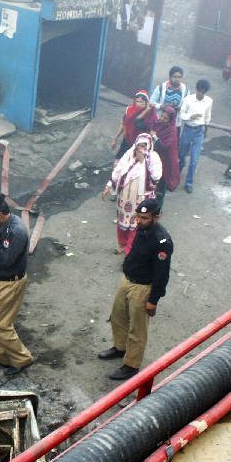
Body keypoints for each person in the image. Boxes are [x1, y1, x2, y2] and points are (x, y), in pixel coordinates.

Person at [98, 199, 173, 380]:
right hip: (127, 280)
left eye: (144, 218)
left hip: (142, 287)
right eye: (138, 217)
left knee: (137, 329)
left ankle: (131, 365)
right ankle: (120, 347)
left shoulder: (162, 241)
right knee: (118, 317)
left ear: (157, 216)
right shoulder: (142, 228)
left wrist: (153, 300)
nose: (139, 221)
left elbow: (162, 274)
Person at [0, 194, 35, 376]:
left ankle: (22, 358)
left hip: (10, 284)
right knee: (0, 321)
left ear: (0, 215)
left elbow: (5, 259)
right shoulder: (4, 225)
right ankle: (0, 355)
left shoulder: (16, 231)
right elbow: (1, 251)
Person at [102, 133, 162, 255]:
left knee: (136, 225)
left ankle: (129, 251)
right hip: (124, 199)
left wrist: (144, 160)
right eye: (139, 145)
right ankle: (122, 245)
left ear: (149, 146)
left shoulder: (153, 157)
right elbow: (118, 170)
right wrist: (109, 186)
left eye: (144, 146)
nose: (141, 149)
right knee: (122, 222)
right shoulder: (129, 154)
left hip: (141, 200)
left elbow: (156, 176)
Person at [177, 79, 213, 193]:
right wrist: (191, 116)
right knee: (182, 154)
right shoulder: (188, 99)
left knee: (194, 159)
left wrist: (205, 130)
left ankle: (189, 182)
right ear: (196, 89)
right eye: (199, 91)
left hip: (199, 131)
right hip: (188, 129)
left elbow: (208, 116)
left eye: (203, 92)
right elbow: (182, 114)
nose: (201, 94)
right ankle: (178, 172)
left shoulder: (209, 101)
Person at [148, 104, 180, 208]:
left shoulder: (171, 130)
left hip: (164, 162)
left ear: (171, 120)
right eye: (162, 116)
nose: (163, 119)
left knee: (160, 188)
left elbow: (164, 146)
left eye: (166, 118)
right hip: (153, 159)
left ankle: (158, 210)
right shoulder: (158, 124)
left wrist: (154, 136)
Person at [110, 90, 153, 159]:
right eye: (137, 101)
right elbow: (123, 123)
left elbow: (150, 130)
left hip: (140, 143)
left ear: (146, 103)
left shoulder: (150, 114)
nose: (138, 104)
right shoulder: (129, 110)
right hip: (127, 139)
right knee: (119, 160)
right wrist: (115, 138)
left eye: (141, 102)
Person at [149, 66, 188, 133]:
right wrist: (161, 106)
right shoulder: (161, 88)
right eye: (174, 77)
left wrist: (181, 108)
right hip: (160, 122)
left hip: (175, 124)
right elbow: (151, 103)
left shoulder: (185, 90)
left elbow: (187, 105)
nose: (177, 79)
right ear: (170, 77)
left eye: (179, 77)